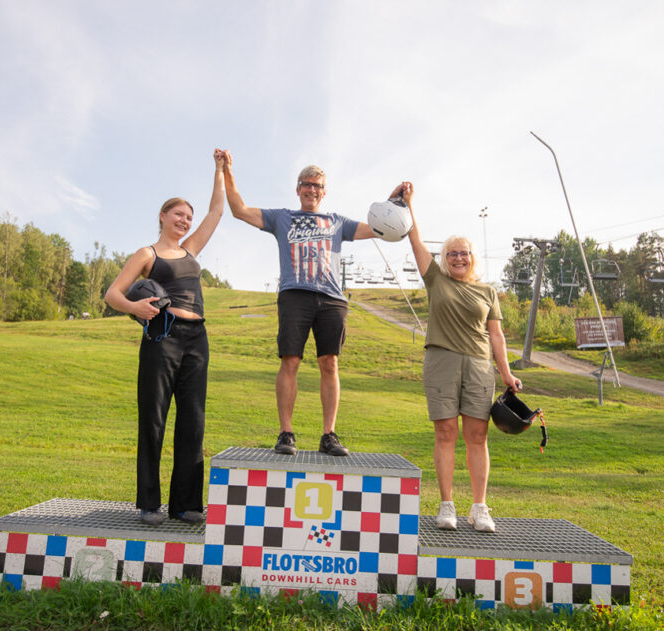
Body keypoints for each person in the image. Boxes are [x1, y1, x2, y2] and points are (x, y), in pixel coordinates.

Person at [221, 150, 381, 457]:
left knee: (329, 363)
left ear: (324, 192)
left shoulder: (337, 222)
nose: (311, 190)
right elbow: (239, 210)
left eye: (317, 186)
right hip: (295, 294)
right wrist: (228, 170)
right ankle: (286, 433)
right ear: (298, 189)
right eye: (306, 184)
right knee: (290, 361)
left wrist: (396, 203)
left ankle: (329, 435)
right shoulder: (282, 217)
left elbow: (379, 227)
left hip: (332, 298)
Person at [104, 150, 226, 526]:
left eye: (188, 217)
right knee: (154, 418)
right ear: (162, 216)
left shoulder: (192, 250)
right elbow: (112, 294)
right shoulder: (147, 253)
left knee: (193, 420)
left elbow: (217, 213)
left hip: (197, 338)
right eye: (178, 215)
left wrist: (220, 170)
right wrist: (134, 309)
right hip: (163, 338)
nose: (185, 221)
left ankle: (186, 504)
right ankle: (148, 504)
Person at [399, 181, 522, 533]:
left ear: (473, 258)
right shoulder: (436, 280)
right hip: (441, 362)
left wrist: (508, 374)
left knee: (477, 436)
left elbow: (496, 335)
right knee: (445, 433)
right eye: (452, 252)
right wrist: (408, 204)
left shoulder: (487, 291)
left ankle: (480, 507)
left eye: (464, 253)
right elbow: (415, 241)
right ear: (445, 258)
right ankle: (447, 504)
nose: (458, 257)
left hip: (480, 366)